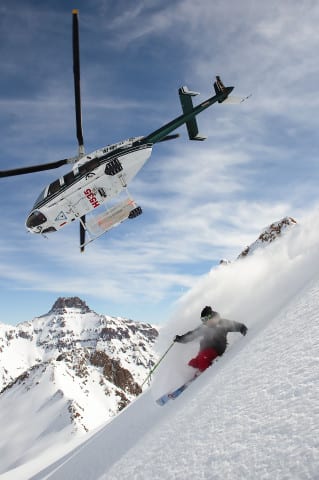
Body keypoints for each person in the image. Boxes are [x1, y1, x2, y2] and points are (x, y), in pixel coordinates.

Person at [173, 306, 248, 372]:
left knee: (203, 359)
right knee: (192, 363)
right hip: (204, 351)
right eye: (203, 320)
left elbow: (238, 326)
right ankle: (195, 376)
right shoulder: (204, 327)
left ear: (211, 316)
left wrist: (244, 330)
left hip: (216, 349)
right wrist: (181, 339)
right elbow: (192, 335)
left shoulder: (223, 323)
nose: (204, 322)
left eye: (205, 319)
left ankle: (206, 376)